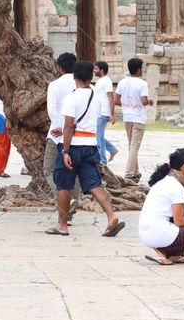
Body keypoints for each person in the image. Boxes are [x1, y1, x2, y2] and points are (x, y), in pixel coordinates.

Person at [46, 60, 125, 237]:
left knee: (63, 185)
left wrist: (65, 150)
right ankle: (111, 216)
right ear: (91, 77)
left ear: (74, 76)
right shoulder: (97, 96)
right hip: (90, 146)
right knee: (95, 184)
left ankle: (63, 225)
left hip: (72, 147)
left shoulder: (72, 97)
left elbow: (68, 126)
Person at [139, 148, 184, 264]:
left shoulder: (165, 179)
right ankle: (163, 250)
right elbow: (179, 222)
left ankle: (175, 255)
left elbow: (170, 208)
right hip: (157, 234)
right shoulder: (176, 186)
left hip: (146, 232)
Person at [43, 53, 81, 212]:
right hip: (77, 134)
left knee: (49, 169)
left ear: (60, 68)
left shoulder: (54, 85)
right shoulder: (83, 85)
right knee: (74, 170)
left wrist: (61, 128)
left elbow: (52, 110)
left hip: (56, 134)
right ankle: (73, 201)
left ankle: (63, 200)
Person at [115, 58, 152, 181]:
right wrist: (149, 102)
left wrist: (127, 105)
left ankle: (135, 172)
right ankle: (129, 173)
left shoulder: (122, 82)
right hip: (138, 118)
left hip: (128, 117)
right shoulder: (142, 84)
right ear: (139, 69)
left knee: (132, 145)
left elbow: (116, 100)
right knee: (135, 146)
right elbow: (144, 101)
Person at [93, 61, 118, 165]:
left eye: (96, 69)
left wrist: (112, 114)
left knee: (99, 137)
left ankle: (102, 160)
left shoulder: (107, 80)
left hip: (104, 112)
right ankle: (112, 150)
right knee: (98, 135)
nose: (94, 70)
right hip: (99, 112)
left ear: (102, 70)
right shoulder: (100, 81)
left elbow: (111, 98)